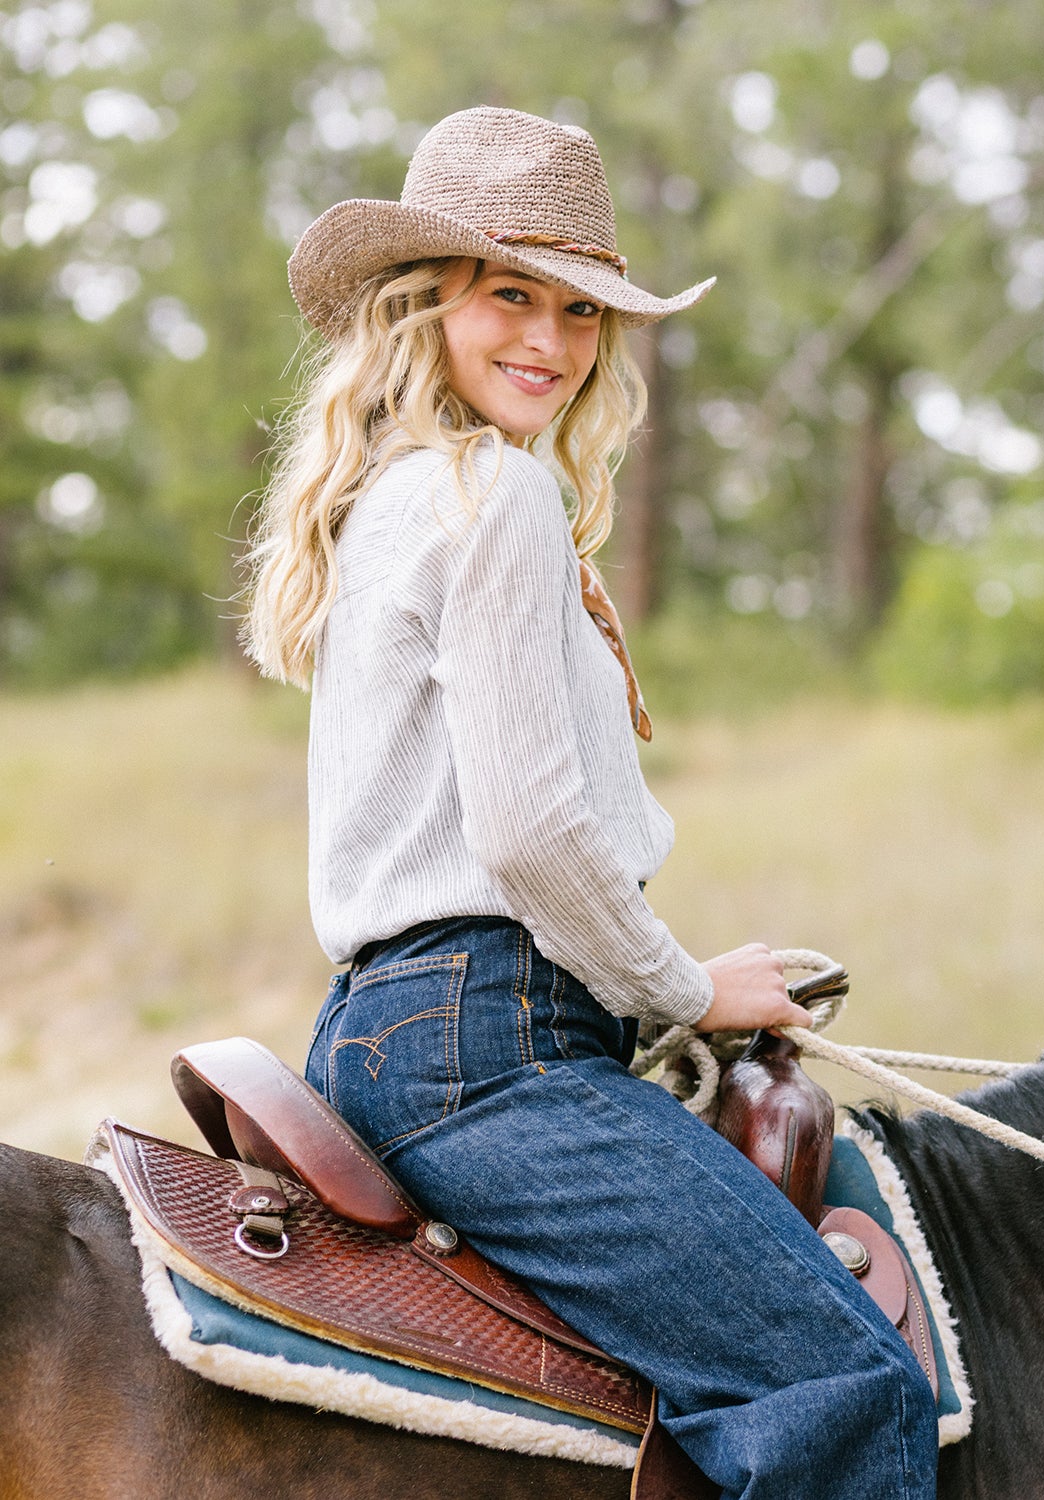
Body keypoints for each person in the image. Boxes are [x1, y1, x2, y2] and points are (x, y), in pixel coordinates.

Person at [242, 106, 937, 1499]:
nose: (550, 346)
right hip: (491, 1053)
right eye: (511, 297)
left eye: (580, 312)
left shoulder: (389, 497)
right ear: (424, 301)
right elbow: (527, 833)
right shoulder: (492, 493)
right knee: (847, 1388)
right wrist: (688, 986)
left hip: (387, 1035)